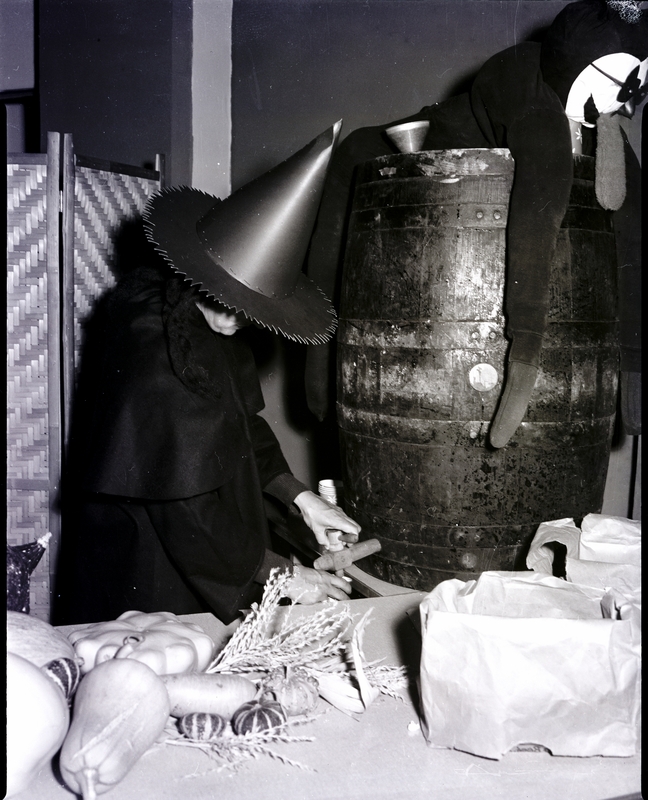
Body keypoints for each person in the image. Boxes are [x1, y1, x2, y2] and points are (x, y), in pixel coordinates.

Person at [54, 122, 362, 626]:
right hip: (147, 550)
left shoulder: (207, 323)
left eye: (251, 310)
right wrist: (280, 575)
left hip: (207, 540)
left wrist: (301, 498)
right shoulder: (151, 341)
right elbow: (180, 503)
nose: (237, 320)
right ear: (196, 272)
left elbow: (241, 427)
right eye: (227, 300)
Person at [304, 0, 645, 447]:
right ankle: (316, 354)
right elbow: (538, 213)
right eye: (624, 90)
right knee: (353, 153)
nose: (629, 110)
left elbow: (634, 224)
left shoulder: (595, 114)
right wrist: (525, 355)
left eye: (639, 91)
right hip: (434, 154)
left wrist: (634, 360)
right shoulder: (530, 99)